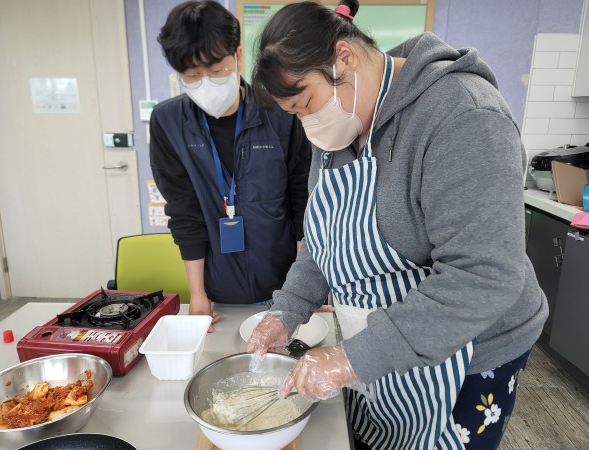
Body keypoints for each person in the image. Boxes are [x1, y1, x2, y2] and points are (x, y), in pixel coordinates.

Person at [246, 1, 548, 449]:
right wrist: (287, 310)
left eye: (306, 102)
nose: (307, 123)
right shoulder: (340, 123)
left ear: (344, 57)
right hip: (382, 347)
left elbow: (483, 277)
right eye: (295, 114)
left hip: (467, 356)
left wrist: (352, 358)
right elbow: (323, 236)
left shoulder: (463, 115)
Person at [150, 1, 311, 331]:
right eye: (192, 76)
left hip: (283, 288)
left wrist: (303, 292)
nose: (206, 83)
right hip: (217, 293)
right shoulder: (168, 122)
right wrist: (197, 296)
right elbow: (184, 212)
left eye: (217, 70)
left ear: (237, 55)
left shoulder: (280, 111)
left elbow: (302, 202)